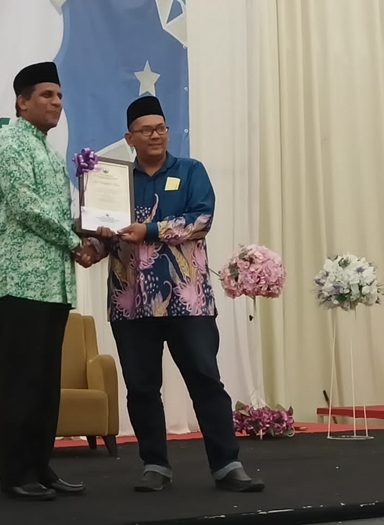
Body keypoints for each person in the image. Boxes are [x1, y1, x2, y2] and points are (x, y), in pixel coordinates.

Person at [92, 95, 265, 493]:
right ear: (129, 138)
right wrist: (91, 247)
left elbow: (201, 219)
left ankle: (227, 465)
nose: (155, 135)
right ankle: (155, 465)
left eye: (161, 128)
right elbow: (108, 232)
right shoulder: (115, 181)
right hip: (130, 302)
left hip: (188, 301)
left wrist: (150, 230)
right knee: (141, 388)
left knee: (205, 380)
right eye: (145, 130)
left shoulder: (190, 171)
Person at [0, 61, 97, 501]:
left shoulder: (48, 151)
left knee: (46, 382)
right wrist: (74, 242)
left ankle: (39, 466)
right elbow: (25, 206)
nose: (56, 103)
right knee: (21, 379)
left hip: (51, 283)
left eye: (60, 96)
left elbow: (60, 213)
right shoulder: (9, 142)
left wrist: (93, 235)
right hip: (17, 281)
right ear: (21, 101)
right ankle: (15, 474)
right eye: (47, 95)